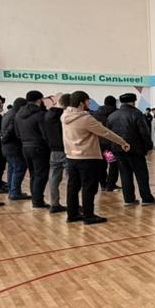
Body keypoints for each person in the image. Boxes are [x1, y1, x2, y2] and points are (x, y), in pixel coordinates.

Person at [62, 91, 130, 225]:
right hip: (87, 156)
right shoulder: (85, 118)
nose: (89, 103)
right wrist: (122, 142)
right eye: (88, 101)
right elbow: (105, 132)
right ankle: (89, 215)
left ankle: (72, 214)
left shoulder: (65, 116)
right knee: (89, 187)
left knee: (73, 187)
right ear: (81, 103)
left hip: (71, 156)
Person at [108, 92, 155, 206]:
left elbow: (109, 134)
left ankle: (129, 199)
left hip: (118, 150)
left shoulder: (112, 115)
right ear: (133, 102)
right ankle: (146, 198)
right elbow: (144, 132)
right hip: (135, 150)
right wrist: (149, 147)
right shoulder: (136, 114)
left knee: (125, 175)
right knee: (141, 175)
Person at [16, 90, 51, 209]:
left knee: (33, 174)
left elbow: (17, 133)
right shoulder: (40, 114)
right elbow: (45, 133)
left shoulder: (19, 114)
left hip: (25, 147)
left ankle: (35, 199)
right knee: (41, 175)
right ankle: (38, 200)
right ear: (39, 100)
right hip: (39, 147)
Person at [43, 94, 69, 214]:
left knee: (53, 177)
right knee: (70, 178)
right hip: (66, 149)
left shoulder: (47, 115)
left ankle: (54, 203)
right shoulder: (64, 116)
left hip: (53, 149)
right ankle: (72, 203)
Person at [0, 97, 28, 200]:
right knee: (19, 168)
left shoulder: (8, 114)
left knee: (12, 169)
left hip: (7, 148)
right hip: (13, 147)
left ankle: (12, 190)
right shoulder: (15, 116)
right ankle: (15, 192)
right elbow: (10, 131)